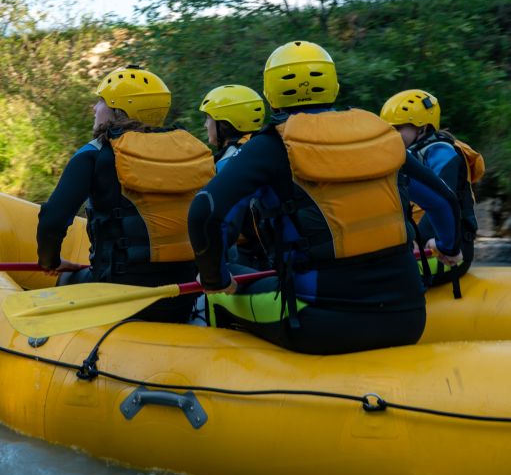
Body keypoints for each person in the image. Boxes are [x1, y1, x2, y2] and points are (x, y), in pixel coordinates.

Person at [187, 41, 464, 354]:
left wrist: (214, 278)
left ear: (270, 93)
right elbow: (443, 200)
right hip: (408, 317)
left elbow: (205, 211)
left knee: (225, 286)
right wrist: (448, 248)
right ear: (333, 85)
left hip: (320, 325)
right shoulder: (380, 135)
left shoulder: (270, 146)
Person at [36, 65, 215, 323]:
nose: (94, 108)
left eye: (101, 101)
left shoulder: (95, 154)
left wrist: (50, 261)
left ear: (119, 111)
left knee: (68, 279)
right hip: (182, 294)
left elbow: (52, 221)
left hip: (119, 296)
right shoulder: (190, 151)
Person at [380, 89, 483, 289]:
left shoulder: (442, 152)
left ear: (422, 128)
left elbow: (443, 200)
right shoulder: (405, 155)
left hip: (448, 251)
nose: (391, 135)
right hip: (421, 245)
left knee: (382, 277)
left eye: (398, 128)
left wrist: (433, 241)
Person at [199, 84, 269, 269]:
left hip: (253, 259)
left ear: (224, 123)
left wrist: (210, 268)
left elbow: (226, 224)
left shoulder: (228, 161)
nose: (206, 125)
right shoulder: (268, 146)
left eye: (208, 118)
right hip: (277, 251)